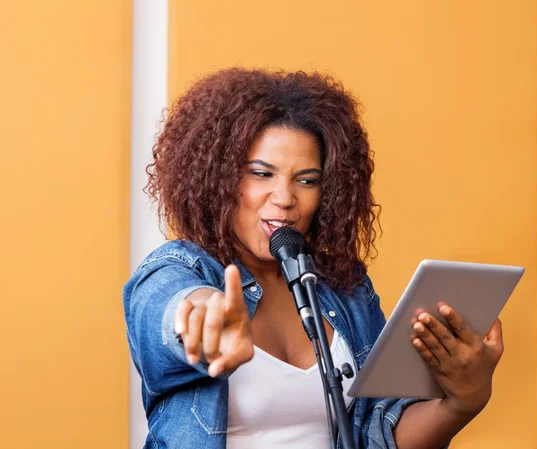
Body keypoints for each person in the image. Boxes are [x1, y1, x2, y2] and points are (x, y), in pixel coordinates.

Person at [123, 68, 504, 449]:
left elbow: (377, 434)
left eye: (307, 180)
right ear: (217, 177)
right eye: (261, 174)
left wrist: (462, 402)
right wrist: (205, 316)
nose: (285, 198)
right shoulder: (178, 269)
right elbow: (167, 307)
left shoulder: (344, 287)